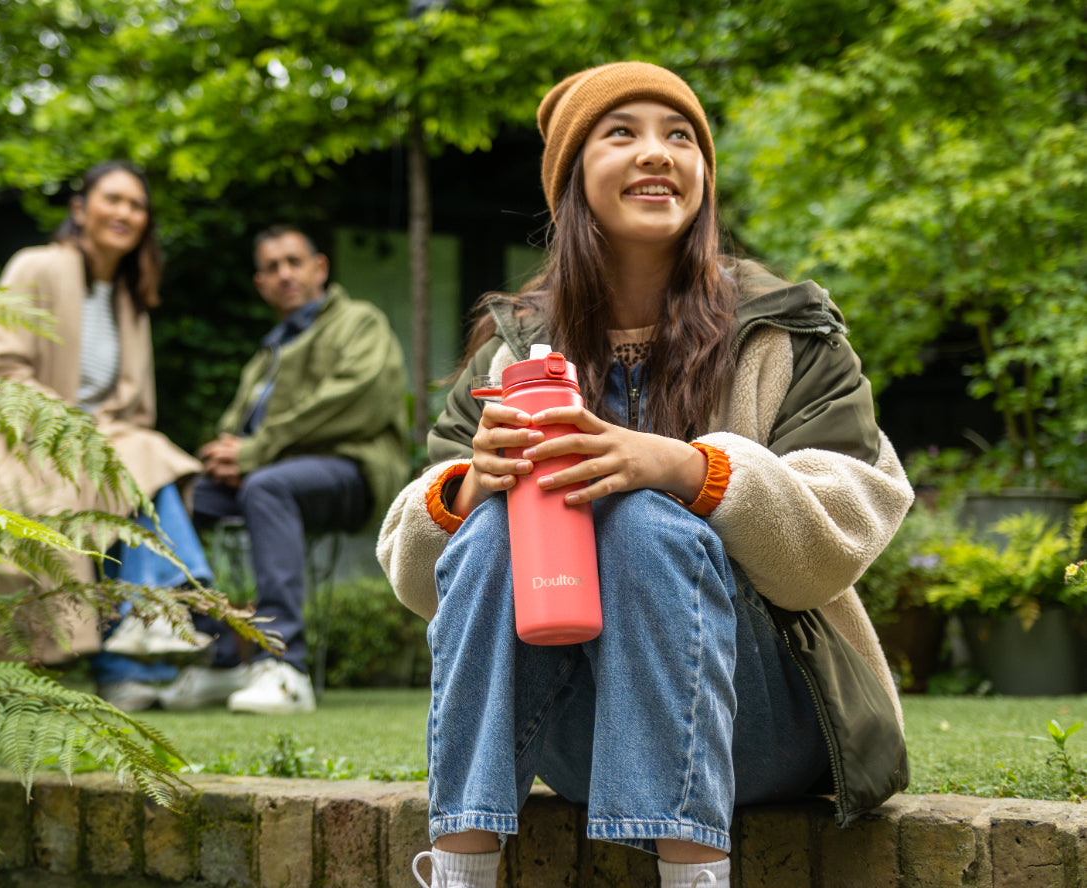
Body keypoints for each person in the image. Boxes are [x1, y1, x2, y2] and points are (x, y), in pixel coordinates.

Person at [376, 62, 914, 888]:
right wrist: (464, 490)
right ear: (569, 181)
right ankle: (459, 872)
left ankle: (695, 878)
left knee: (641, 519)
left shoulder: (787, 328)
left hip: (764, 723)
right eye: (620, 133)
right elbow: (424, 583)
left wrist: (685, 469)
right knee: (488, 525)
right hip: (580, 732)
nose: (657, 153)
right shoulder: (510, 350)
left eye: (680, 137)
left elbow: (831, 547)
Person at [0, 160, 213, 711]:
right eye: (114, 199)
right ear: (80, 208)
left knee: (143, 453)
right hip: (26, 440)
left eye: (137, 205)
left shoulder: (127, 299)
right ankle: (160, 607)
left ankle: (130, 648)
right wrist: (70, 424)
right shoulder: (37, 267)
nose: (125, 213)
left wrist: (99, 429)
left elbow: (134, 403)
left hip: (98, 444)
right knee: (144, 458)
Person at [163, 224, 410, 715]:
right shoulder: (267, 353)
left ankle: (284, 665)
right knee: (174, 495)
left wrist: (256, 452)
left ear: (320, 267)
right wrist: (223, 455)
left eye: (294, 262)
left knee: (265, 486)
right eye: (272, 267)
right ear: (260, 284)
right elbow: (237, 425)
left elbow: (357, 400)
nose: (285, 274)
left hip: (351, 469)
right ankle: (223, 653)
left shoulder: (360, 323)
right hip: (269, 474)